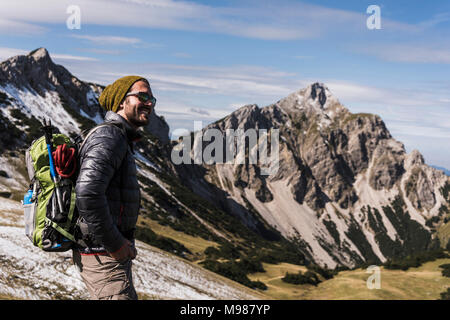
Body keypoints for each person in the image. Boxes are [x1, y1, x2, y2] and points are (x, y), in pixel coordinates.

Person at [72, 75, 156, 300]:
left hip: (105, 252)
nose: (149, 103)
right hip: (103, 254)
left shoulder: (119, 137)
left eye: (152, 99)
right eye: (143, 96)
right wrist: (116, 244)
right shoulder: (110, 136)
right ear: (121, 101)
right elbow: (88, 193)